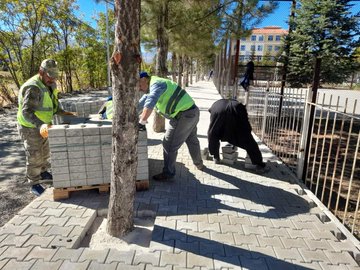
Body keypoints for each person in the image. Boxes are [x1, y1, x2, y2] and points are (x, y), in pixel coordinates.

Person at [17, 59, 75, 196]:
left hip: (44, 125)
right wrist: (40, 124)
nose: (53, 78)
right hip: (30, 126)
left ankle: (42, 172)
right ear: (41, 72)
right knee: (34, 155)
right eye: (50, 75)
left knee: (45, 151)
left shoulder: (50, 84)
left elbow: (52, 104)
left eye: (55, 75)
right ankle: (34, 183)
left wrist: (62, 112)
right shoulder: (34, 88)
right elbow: (26, 112)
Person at [138, 71, 204, 181]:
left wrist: (141, 123)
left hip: (184, 115)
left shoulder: (156, 84)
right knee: (192, 139)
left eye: (139, 85)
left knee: (169, 144)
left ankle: (168, 173)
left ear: (144, 79)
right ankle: (199, 164)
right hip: (192, 112)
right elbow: (141, 104)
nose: (139, 89)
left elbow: (150, 103)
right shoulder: (152, 87)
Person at [208, 99, 268, 172]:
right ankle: (259, 165)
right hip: (228, 111)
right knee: (249, 141)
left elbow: (211, 112)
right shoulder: (239, 106)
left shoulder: (217, 103)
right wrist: (248, 133)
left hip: (216, 111)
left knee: (214, 134)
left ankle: (216, 157)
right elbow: (245, 123)